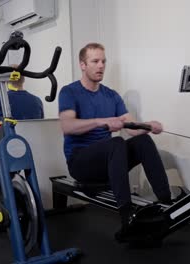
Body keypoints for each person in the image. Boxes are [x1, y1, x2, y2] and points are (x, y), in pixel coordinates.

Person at [58, 43, 172, 241]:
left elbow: (129, 126)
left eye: (103, 61)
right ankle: (127, 217)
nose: (101, 65)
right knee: (116, 143)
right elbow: (67, 126)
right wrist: (102, 122)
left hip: (108, 162)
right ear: (82, 65)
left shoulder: (111, 95)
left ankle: (167, 203)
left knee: (143, 140)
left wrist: (148, 126)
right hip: (80, 163)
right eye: (95, 61)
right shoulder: (69, 92)